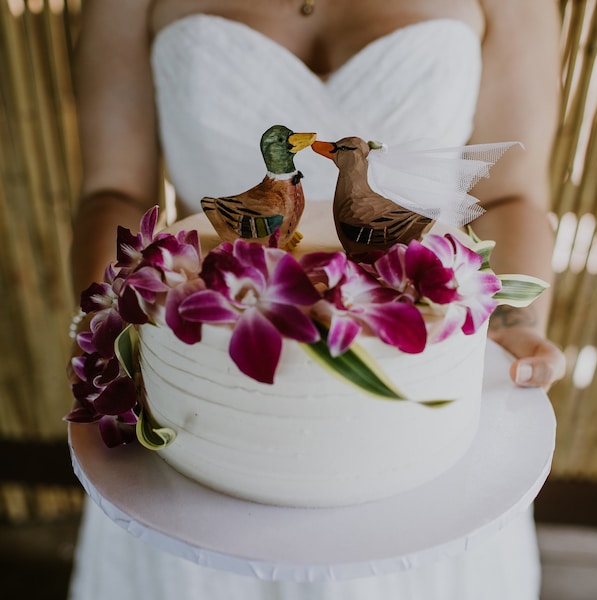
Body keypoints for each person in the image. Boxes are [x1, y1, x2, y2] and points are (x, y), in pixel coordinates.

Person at [68, 0, 566, 598]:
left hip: (416, 411)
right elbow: (114, 190)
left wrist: (514, 322)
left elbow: (511, 195)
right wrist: (108, 338)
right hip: (205, 394)